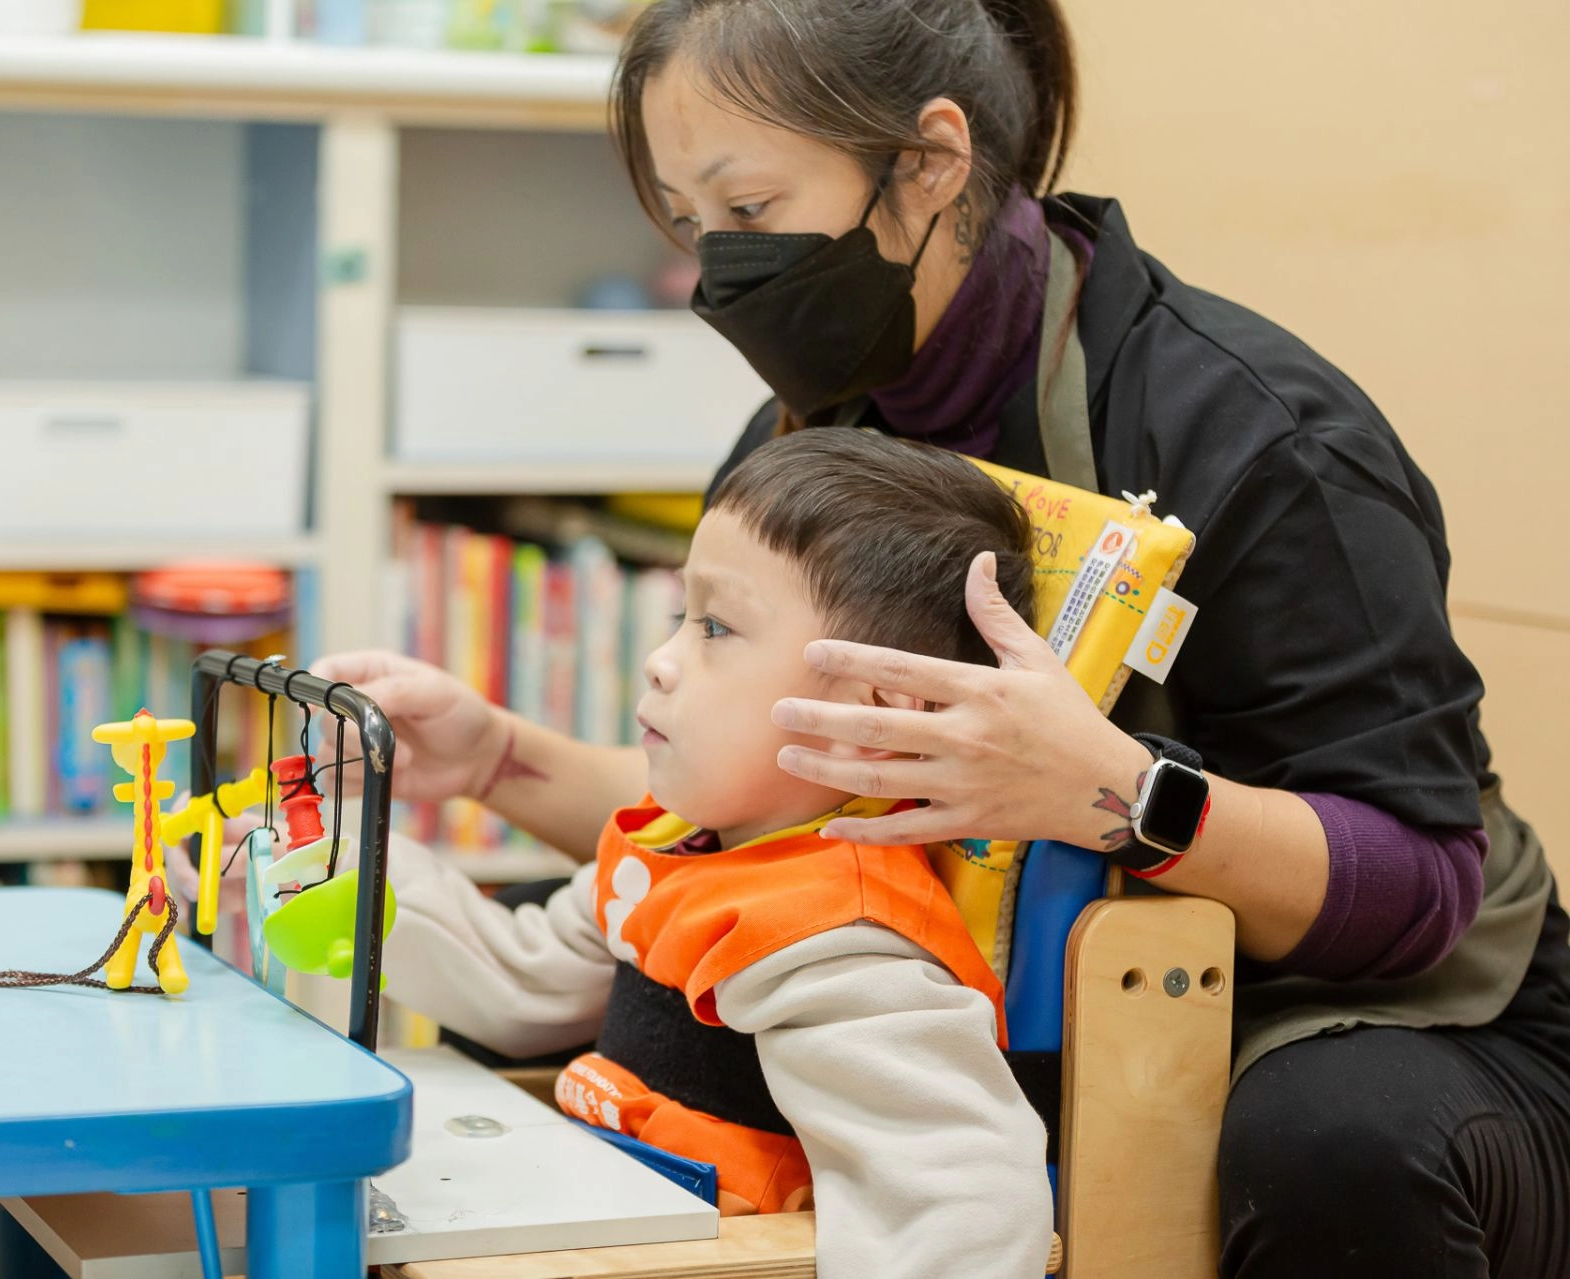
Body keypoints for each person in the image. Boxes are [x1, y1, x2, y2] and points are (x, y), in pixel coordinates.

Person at [318, 2, 1570, 1274]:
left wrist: (1114, 794)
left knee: (1328, 1142)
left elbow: (1418, 891)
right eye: (690, 224)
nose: (715, 271)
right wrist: (494, 759)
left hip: (1376, 1011)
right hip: (983, 980)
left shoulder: (1255, 439)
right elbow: (759, 805)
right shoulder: (812, 433)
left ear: (928, 163)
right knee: (587, 994)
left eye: (747, 211)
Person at [343, 428, 1052, 1278]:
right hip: (596, 1212)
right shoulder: (688, 845)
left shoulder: (842, 938)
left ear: (877, 711)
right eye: (684, 615)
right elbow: (524, 977)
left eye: (715, 627)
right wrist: (333, 873)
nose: (662, 658)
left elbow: (963, 1204)